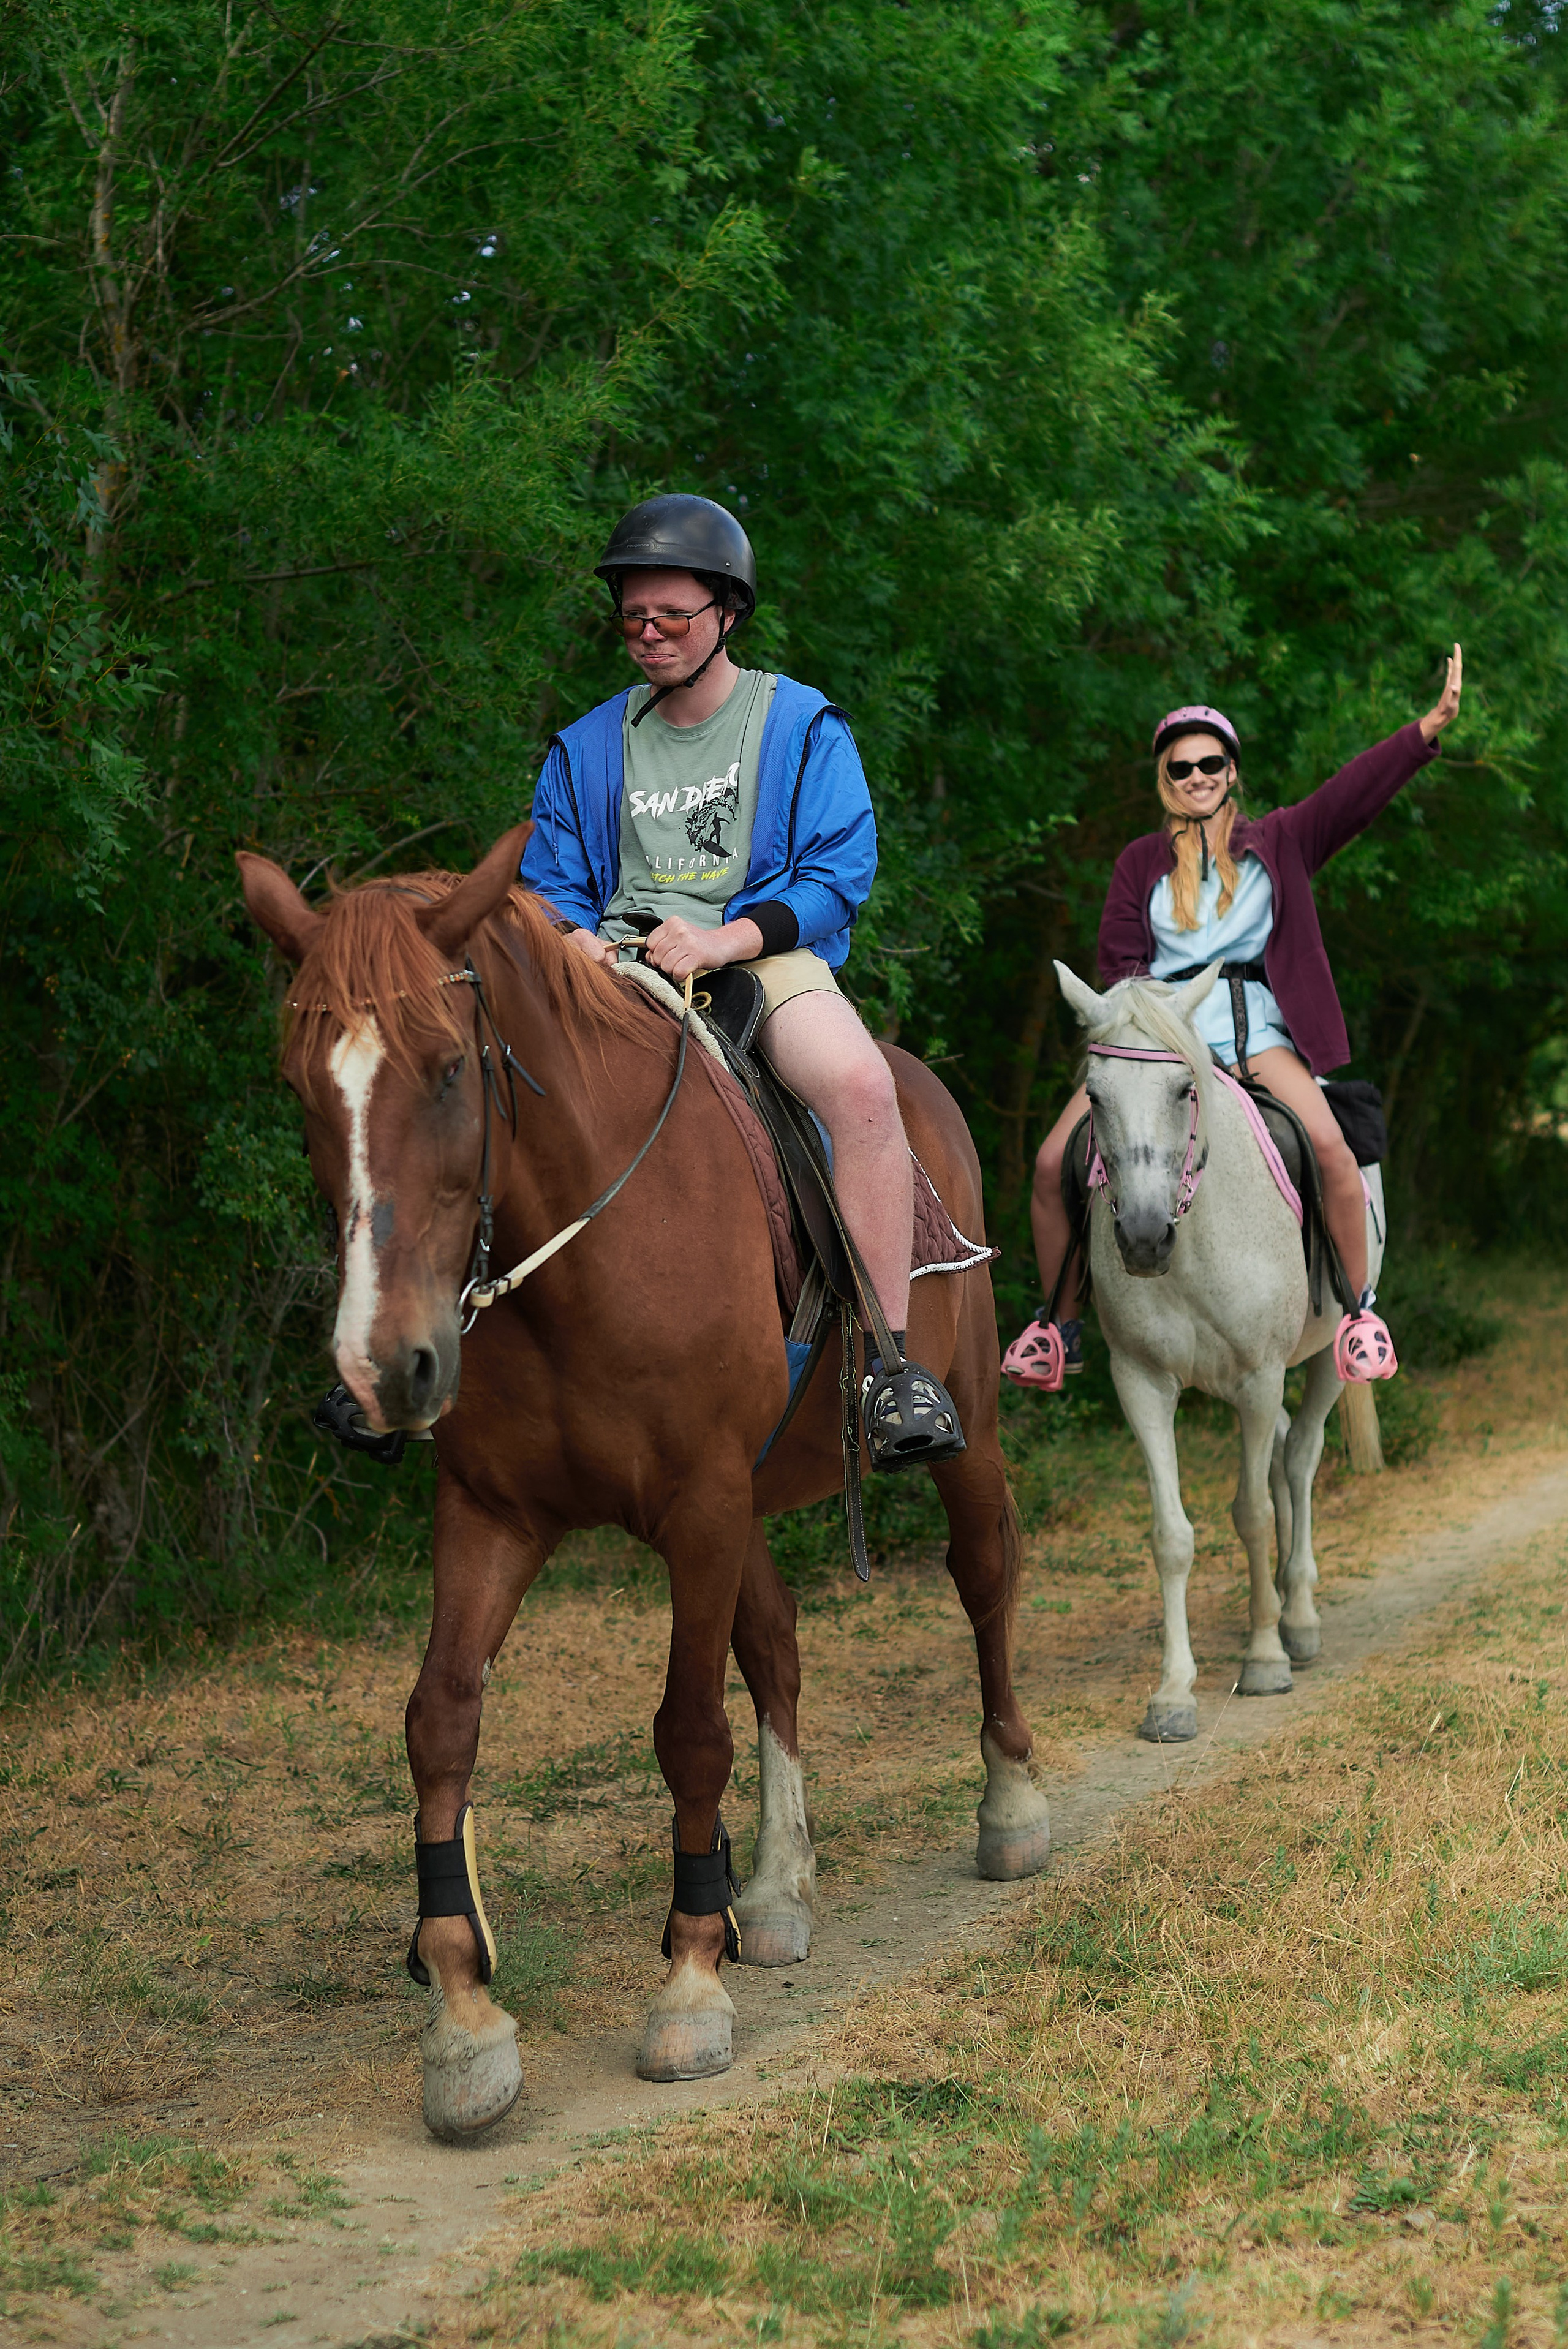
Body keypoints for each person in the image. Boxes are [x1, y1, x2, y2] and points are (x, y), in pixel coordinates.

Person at [521, 492, 965, 1469]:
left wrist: (722, 941)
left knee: (860, 1086)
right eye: (632, 616)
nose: (647, 635)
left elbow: (839, 872)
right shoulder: (587, 744)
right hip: (617, 968)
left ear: (727, 611)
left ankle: (889, 1370)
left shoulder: (801, 723)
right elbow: (549, 887)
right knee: (476, 1076)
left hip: (759, 956)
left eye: (670, 616)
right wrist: (574, 942)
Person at [1004, 649, 1464, 1389]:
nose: (1197, 778)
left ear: (1230, 771)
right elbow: (1122, 967)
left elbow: (1353, 795)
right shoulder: (1137, 864)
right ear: (1166, 777)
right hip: (1162, 1041)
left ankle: (1358, 1313)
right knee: (1053, 1162)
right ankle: (1058, 1328)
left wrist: (1424, 730)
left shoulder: (1280, 840)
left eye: (1210, 764)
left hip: (1257, 1033)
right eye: (1181, 767)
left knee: (1331, 1149)